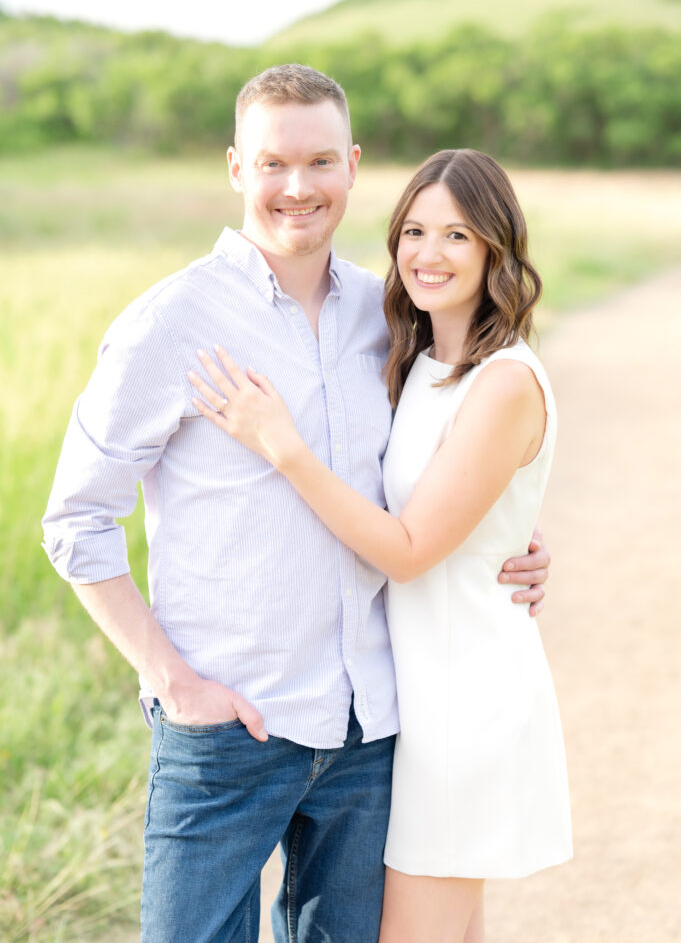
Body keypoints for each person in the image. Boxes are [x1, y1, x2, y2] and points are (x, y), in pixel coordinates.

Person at [42, 65, 551, 943]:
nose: (297, 187)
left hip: (372, 734)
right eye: (274, 163)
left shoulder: (386, 313)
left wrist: (509, 537)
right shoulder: (172, 321)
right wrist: (171, 680)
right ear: (236, 168)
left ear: (351, 167)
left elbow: (441, 460)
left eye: (320, 161)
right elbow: (75, 520)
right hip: (229, 729)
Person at [189, 147, 572, 942]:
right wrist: (509, 534)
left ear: (497, 248)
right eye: (415, 232)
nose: (429, 255)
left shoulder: (501, 380)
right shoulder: (423, 361)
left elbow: (405, 549)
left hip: (464, 698)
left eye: (458, 236)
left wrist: (282, 446)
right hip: (416, 696)